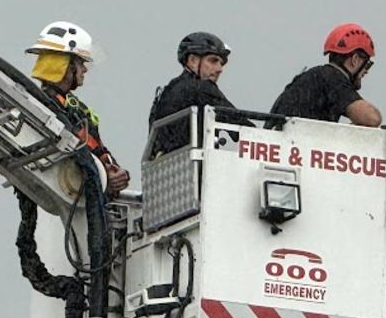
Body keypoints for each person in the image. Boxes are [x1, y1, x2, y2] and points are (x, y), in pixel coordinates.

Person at [25, 21, 129, 196]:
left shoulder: (72, 106)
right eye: (81, 63)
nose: (85, 70)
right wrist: (103, 174)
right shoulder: (45, 108)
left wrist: (112, 168)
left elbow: (92, 143)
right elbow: (75, 149)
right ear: (66, 66)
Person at [147, 32, 251, 157]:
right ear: (192, 61)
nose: (220, 69)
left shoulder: (166, 92)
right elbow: (242, 126)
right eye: (213, 61)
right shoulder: (200, 88)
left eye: (221, 63)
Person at [269, 23, 382, 126]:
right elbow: (372, 118)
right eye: (367, 64)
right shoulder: (332, 78)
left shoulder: (314, 78)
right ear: (355, 59)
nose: (366, 71)